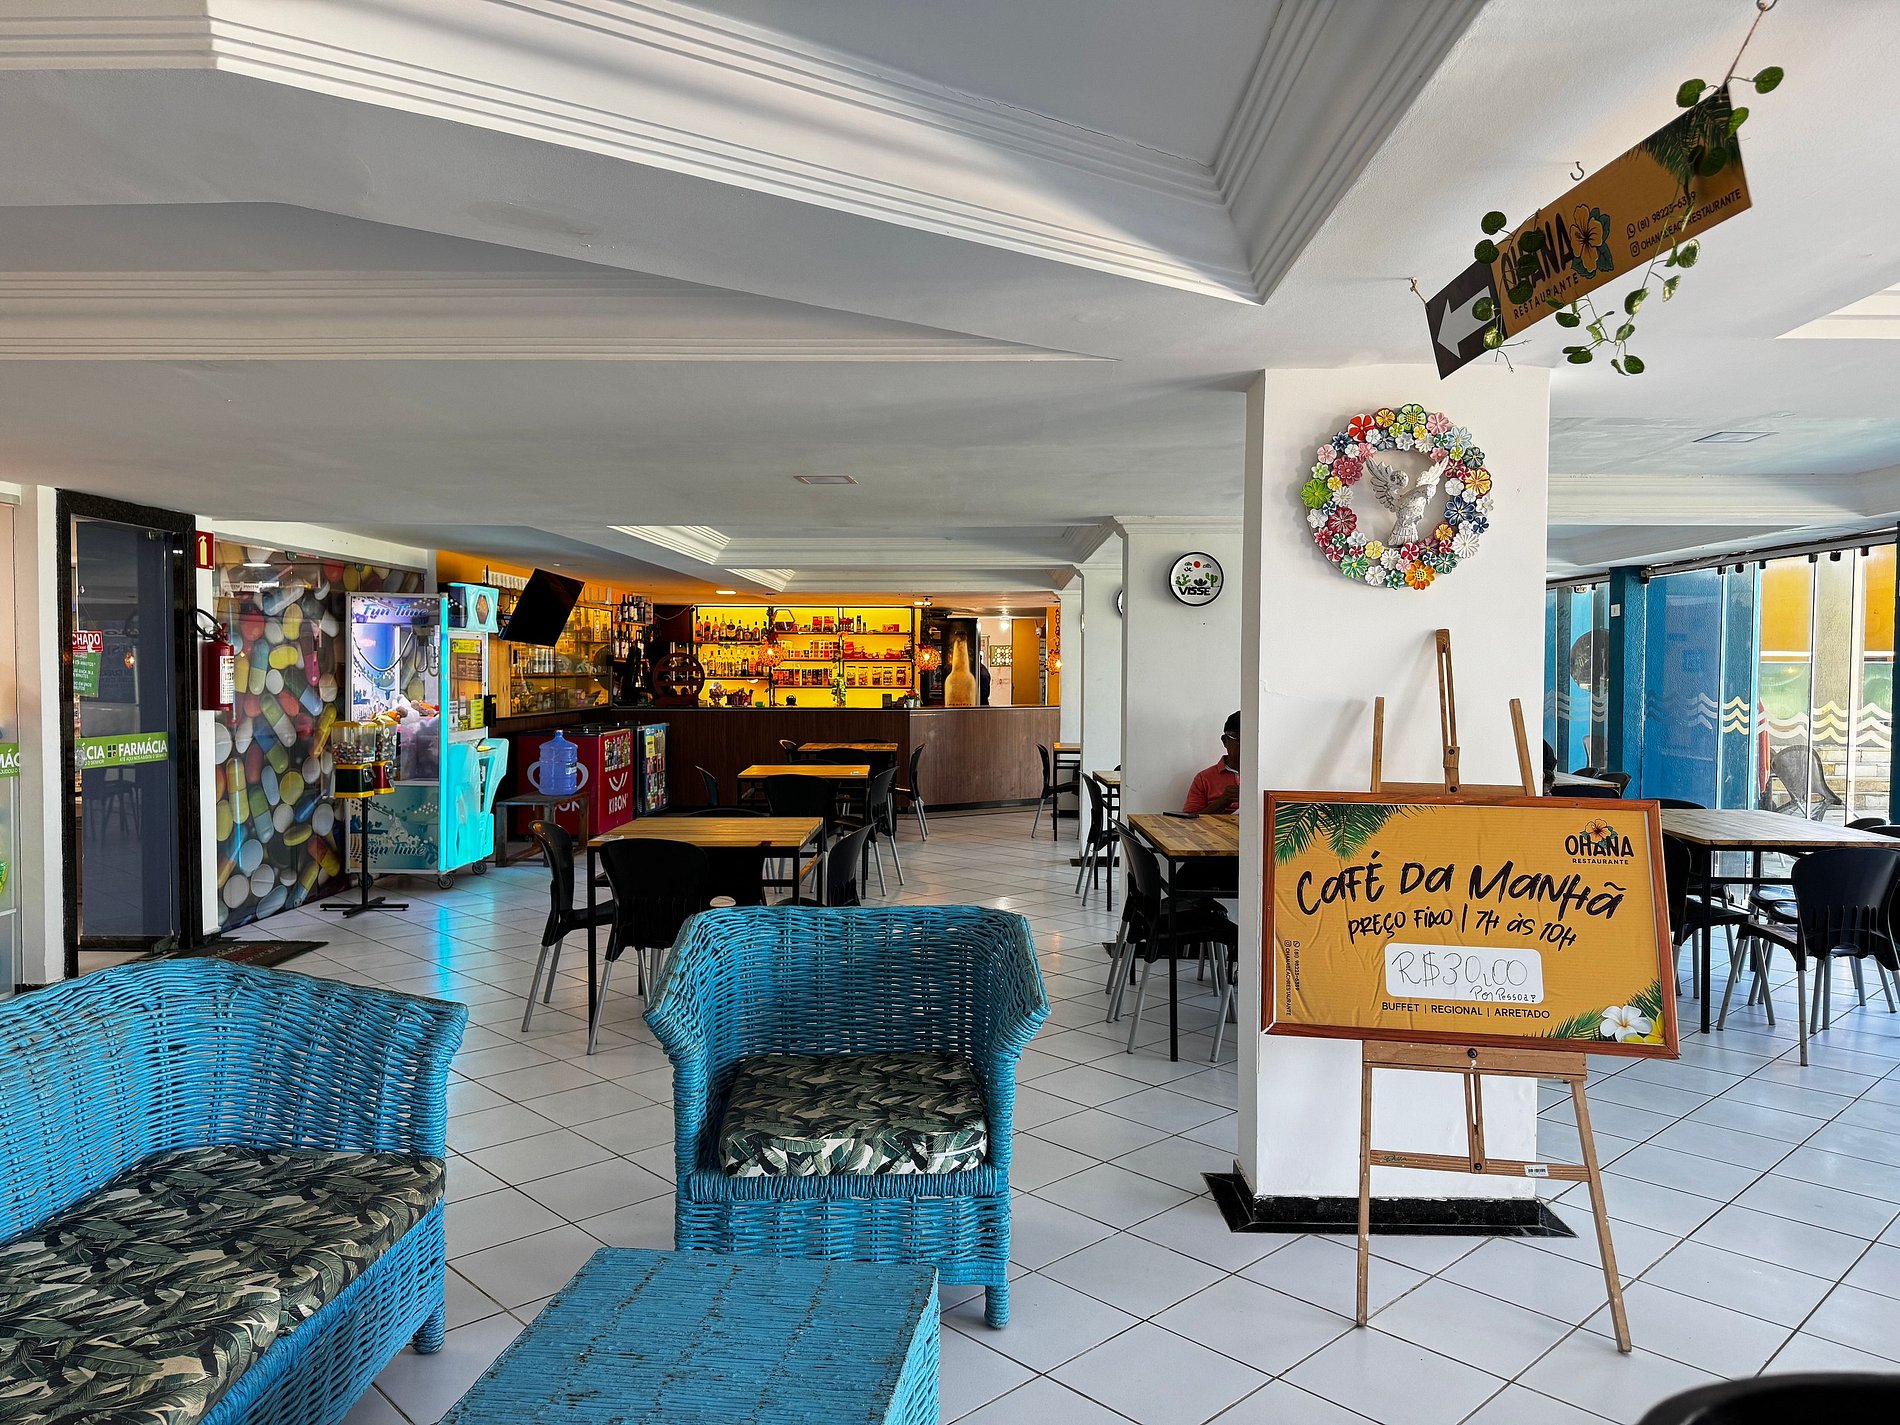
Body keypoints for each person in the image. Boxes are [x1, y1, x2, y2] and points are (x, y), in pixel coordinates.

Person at [1183, 711, 1241, 814]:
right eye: (1239, 739)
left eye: (1253, 739)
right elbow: (1189, 820)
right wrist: (1222, 802)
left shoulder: (1267, 776)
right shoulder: (1204, 779)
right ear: (1225, 741)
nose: (1247, 745)